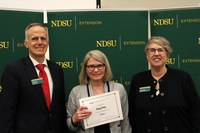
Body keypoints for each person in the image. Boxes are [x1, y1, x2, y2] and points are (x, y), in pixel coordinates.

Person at [0, 23, 68, 133]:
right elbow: (6, 113)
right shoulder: (13, 70)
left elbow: (60, 110)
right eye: (35, 39)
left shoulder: (57, 70)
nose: (40, 42)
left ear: (48, 43)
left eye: (43, 38)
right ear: (26, 43)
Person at [128, 36, 200, 133]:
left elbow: (196, 112)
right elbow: (132, 114)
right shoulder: (138, 79)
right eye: (152, 50)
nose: (156, 54)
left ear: (167, 54)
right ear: (147, 55)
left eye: (161, 50)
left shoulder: (182, 78)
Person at [66, 50, 132, 133]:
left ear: (106, 67)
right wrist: (75, 118)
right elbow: (69, 126)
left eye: (100, 65)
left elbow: (125, 121)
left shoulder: (118, 89)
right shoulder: (76, 92)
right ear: (85, 69)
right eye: (91, 66)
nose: (96, 70)